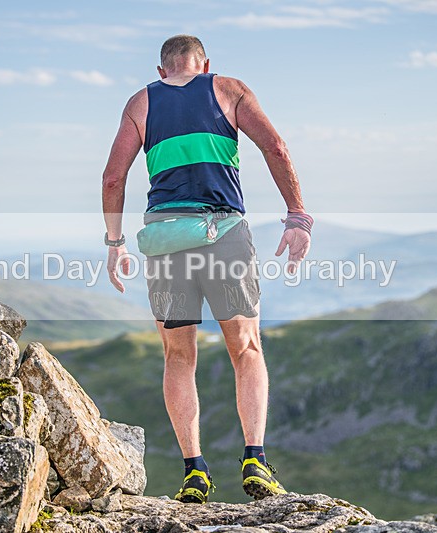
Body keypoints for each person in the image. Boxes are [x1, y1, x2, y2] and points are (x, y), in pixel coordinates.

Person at [101, 35, 312, 504]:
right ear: (205, 63)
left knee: (178, 356)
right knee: (247, 347)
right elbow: (276, 148)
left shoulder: (141, 103)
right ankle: (255, 459)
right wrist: (297, 215)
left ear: (161, 71)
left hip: (166, 239)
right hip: (225, 234)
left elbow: (113, 177)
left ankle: (194, 472)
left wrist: (115, 243)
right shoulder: (229, 89)